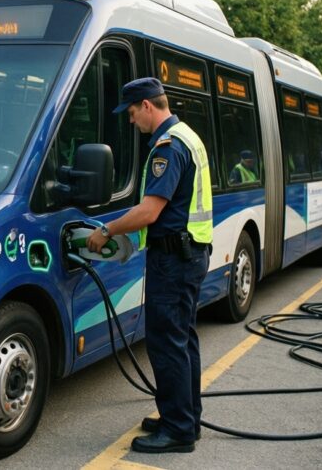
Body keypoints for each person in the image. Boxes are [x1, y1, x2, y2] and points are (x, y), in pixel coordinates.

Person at [86, 77, 211, 454]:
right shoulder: (187, 136)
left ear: (146, 106)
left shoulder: (167, 147)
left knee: (167, 344)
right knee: (183, 339)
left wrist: (106, 230)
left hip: (174, 259)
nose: (129, 121)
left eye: (130, 112)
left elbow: (150, 210)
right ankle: (185, 417)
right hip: (189, 254)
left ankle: (177, 431)